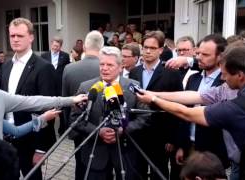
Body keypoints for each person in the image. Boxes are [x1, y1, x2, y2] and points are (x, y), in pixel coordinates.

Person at [137, 44, 245, 180]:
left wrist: (154, 99)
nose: (222, 78)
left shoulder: (234, 107)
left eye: (225, 74)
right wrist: (152, 93)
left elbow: (187, 113)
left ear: (240, 75)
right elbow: (195, 96)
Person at [70, 46, 150, 180]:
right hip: (95, 154)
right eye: (102, 64)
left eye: (110, 65)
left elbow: (145, 117)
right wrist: (98, 131)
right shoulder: (86, 87)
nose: (104, 68)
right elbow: (75, 118)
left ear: (120, 67)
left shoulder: (133, 86)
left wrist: (123, 129)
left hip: (125, 155)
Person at [0, 17, 60, 180]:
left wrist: (41, 148)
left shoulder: (44, 67)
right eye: (12, 36)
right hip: (6, 139)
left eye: (20, 35)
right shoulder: (5, 67)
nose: (15, 39)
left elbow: (48, 108)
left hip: (31, 141)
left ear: (31, 37)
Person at [129, 30, 183, 180]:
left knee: (158, 173)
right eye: (145, 47)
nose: (147, 51)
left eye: (152, 48)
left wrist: (173, 139)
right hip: (137, 133)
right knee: (136, 171)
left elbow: (179, 107)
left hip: (161, 135)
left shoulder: (171, 73)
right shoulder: (134, 72)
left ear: (160, 50)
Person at [176, 34, 229, 170]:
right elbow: (184, 113)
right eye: (198, 53)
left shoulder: (226, 83)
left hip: (213, 152)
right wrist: (182, 146)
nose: (199, 57)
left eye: (205, 54)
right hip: (190, 147)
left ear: (220, 57)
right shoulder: (193, 79)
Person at [61, 30, 104, 180]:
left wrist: (70, 126)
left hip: (78, 127)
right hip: (103, 128)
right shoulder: (109, 67)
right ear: (102, 47)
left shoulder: (69, 68)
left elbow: (65, 101)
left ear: (85, 47)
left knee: (80, 165)